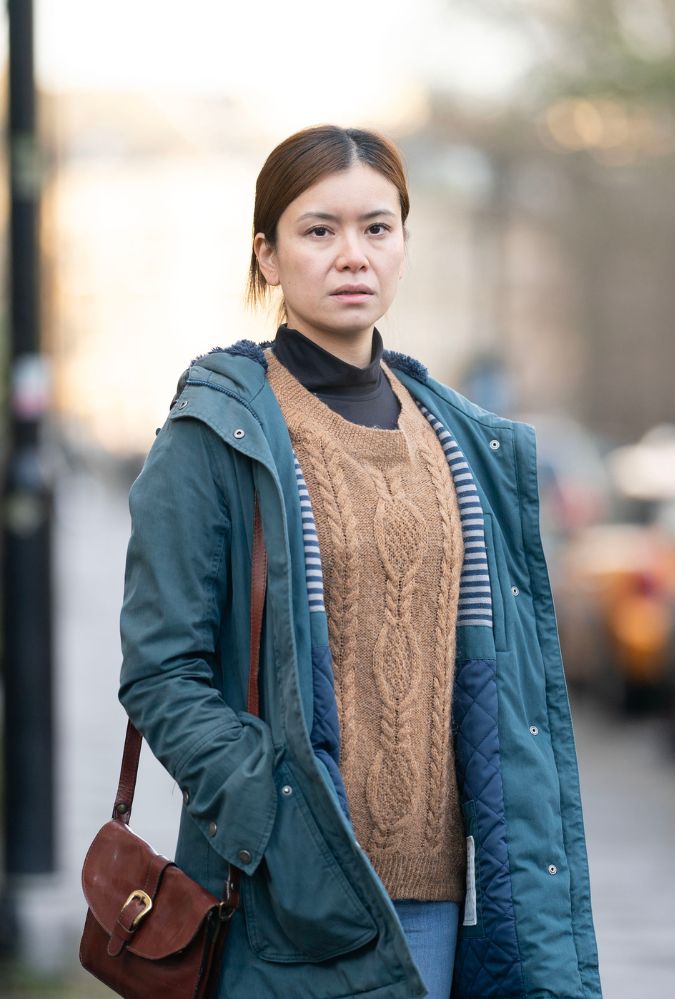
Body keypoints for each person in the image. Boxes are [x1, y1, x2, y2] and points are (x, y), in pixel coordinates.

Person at [118, 125, 602, 999]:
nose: (352, 255)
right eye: (318, 230)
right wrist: (270, 814)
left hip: (442, 896)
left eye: (376, 228)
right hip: (286, 892)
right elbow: (161, 671)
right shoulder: (216, 435)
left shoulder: (462, 441)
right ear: (267, 255)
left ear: (404, 246)